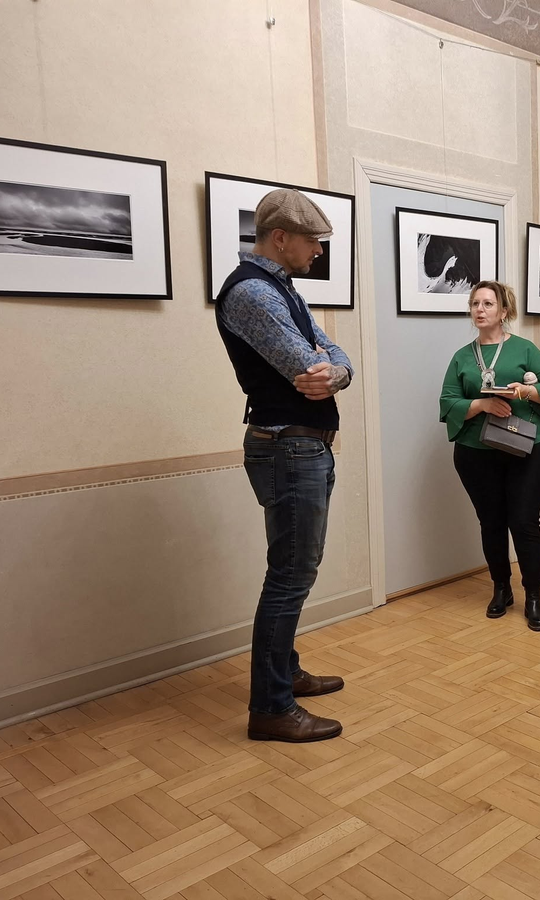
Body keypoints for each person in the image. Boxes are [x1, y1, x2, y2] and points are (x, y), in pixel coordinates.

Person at [215, 189, 353, 743]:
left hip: (300, 446)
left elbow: (333, 358)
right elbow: (304, 362)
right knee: (291, 575)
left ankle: (285, 673)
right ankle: (271, 707)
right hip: (288, 447)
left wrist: (336, 371)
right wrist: (327, 367)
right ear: (280, 238)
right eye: (313, 241)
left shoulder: (281, 288)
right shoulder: (252, 292)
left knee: (293, 568)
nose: (318, 250)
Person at [440, 281, 540, 631]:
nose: (480, 310)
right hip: (476, 452)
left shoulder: (525, 349)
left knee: (524, 522)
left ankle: (533, 596)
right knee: (491, 522)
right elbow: (448, 402)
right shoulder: (462, 357)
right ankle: (501, 588)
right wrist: (482, 404)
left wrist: (525, 391)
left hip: (530, 449)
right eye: (475, 304)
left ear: (504, 311)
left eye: (488, 304)